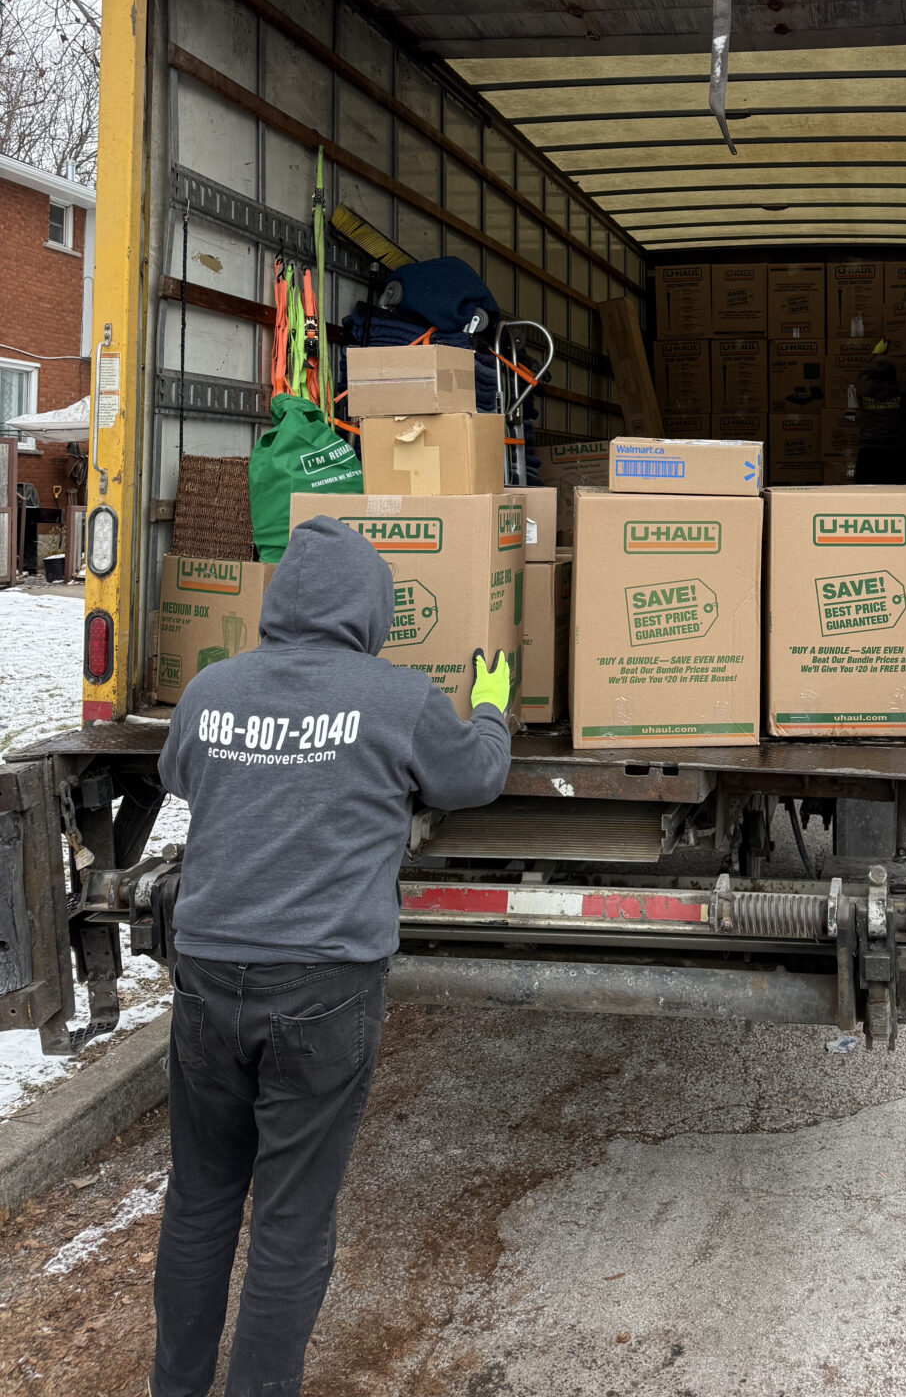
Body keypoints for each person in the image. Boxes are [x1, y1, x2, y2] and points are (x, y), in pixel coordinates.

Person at [149, 514, 512, 1397]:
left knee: (199, 1203)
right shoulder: (396, 697)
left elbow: (176, 775)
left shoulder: (211, 690)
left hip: (206, 978)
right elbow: (474, 778)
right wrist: (493, 702)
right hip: (322, 989)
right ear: (370, 611)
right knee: (289, 1222)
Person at [853, 333, 906, 483]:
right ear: (893, 375)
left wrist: (875, 353)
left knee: (865, 501)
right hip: (895, 454)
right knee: (897, 501)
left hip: (868, 456)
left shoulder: (862, 391)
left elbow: (863, 373)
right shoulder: (902, 393)